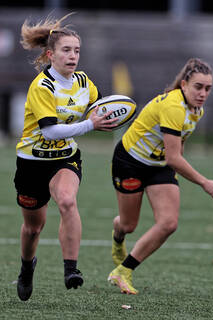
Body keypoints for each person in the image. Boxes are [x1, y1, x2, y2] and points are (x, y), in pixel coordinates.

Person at [14, 13, 117, 301]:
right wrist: (90, 125)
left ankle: (71, 269)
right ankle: (26, 267)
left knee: (68, 201)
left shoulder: (84, 81)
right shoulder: (42, 86)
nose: (73, 56)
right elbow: (49, 132)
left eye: (77, 50)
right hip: (32, 162)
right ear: (50, 54)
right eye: (66, 50)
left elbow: (97, 108)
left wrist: (109, 114)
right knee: (33, 228)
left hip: (65, 159)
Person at [107, 58, 213, 294]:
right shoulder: (173, 106)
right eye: (198, 87)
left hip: (159, 165)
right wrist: (204, 182)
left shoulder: (196, 109)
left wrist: (171, 182)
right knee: (129, 224)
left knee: (169, 223)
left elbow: (177, 147)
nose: (203, 93)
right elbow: (174, 157)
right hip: (130, 162)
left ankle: (123, 271)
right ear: (184, 85)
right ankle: (118, 234)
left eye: (208, 88)